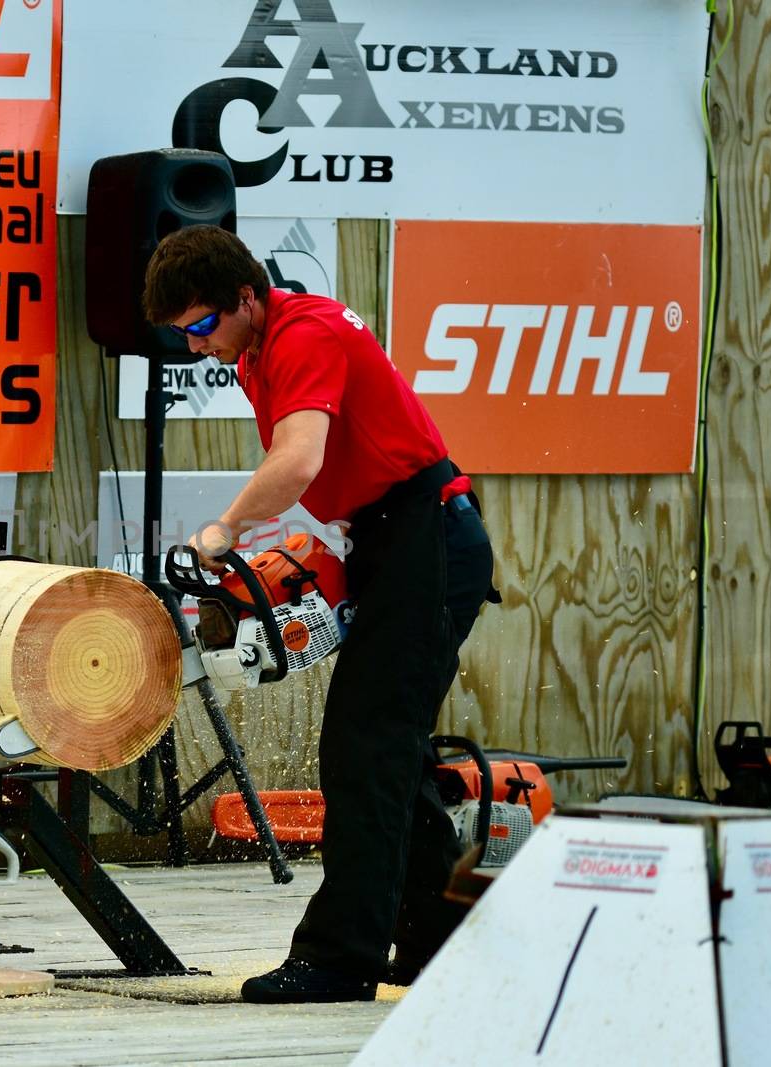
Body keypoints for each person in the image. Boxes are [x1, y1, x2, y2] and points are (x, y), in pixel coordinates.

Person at [141, 225, 499, 1004]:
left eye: (203, 325)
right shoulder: (260, 348)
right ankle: (435, 942)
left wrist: (225, 527)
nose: (198, 347)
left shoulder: (302, 331)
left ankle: (340, 957)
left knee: (364, 745)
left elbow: (298, 458)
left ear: (246, 296)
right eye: (182, 335)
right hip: (392, 535)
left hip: (426, 535)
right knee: (386, 749)